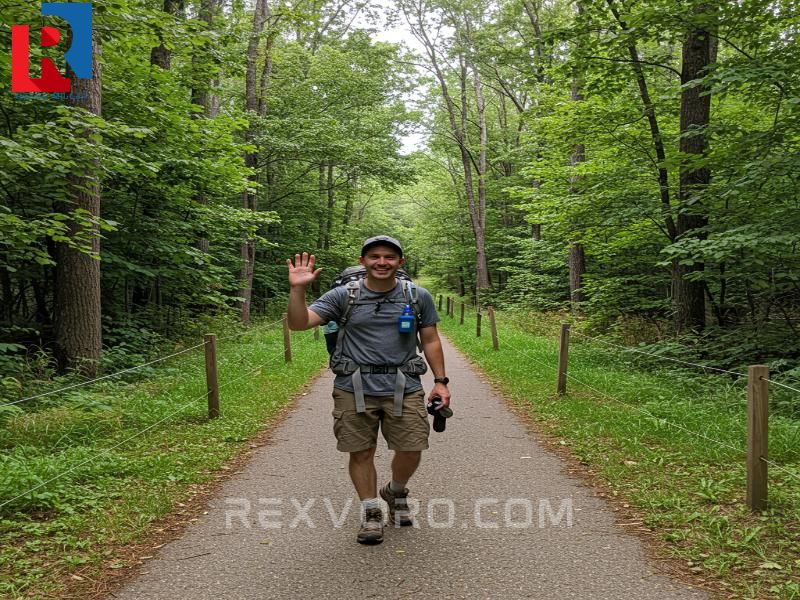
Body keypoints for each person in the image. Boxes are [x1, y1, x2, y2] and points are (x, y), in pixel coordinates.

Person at [286, 235, 451, 545]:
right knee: (361, 451)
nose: (381, 262)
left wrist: (441, 382)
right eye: (374, 256)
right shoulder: (341, 296)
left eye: (389, 257)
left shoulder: (417, 296)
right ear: (363, 261)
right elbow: (298, 323)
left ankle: (396, 490)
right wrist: (298, 289)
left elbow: (430, 340)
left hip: (404, 384)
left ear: (400, 262)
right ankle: (370, 511)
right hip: (353, 385)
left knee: (412, 447)